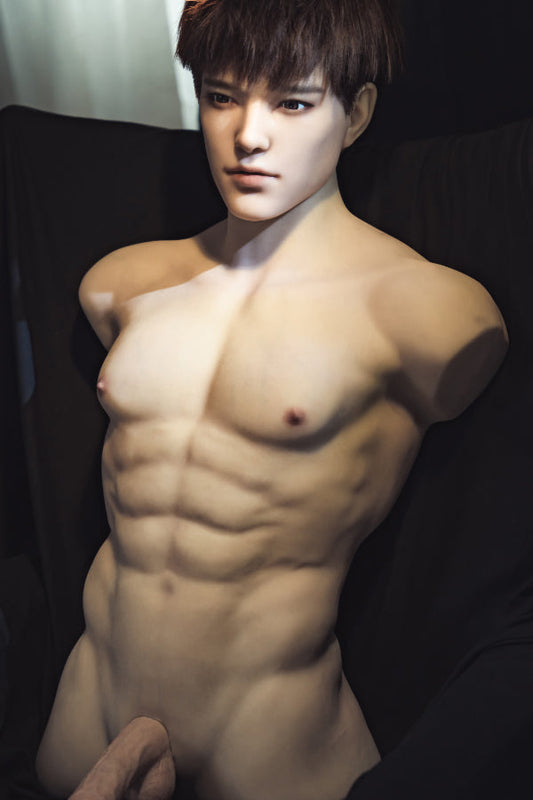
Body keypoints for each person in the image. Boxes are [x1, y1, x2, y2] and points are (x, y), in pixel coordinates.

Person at [35, 1, 509, 799]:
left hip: (269, 745)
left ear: (355, 113)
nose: (248, 136)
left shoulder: (425, 316)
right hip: (88, 718)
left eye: (291, 103)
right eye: (221, 97)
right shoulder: (122, 284)